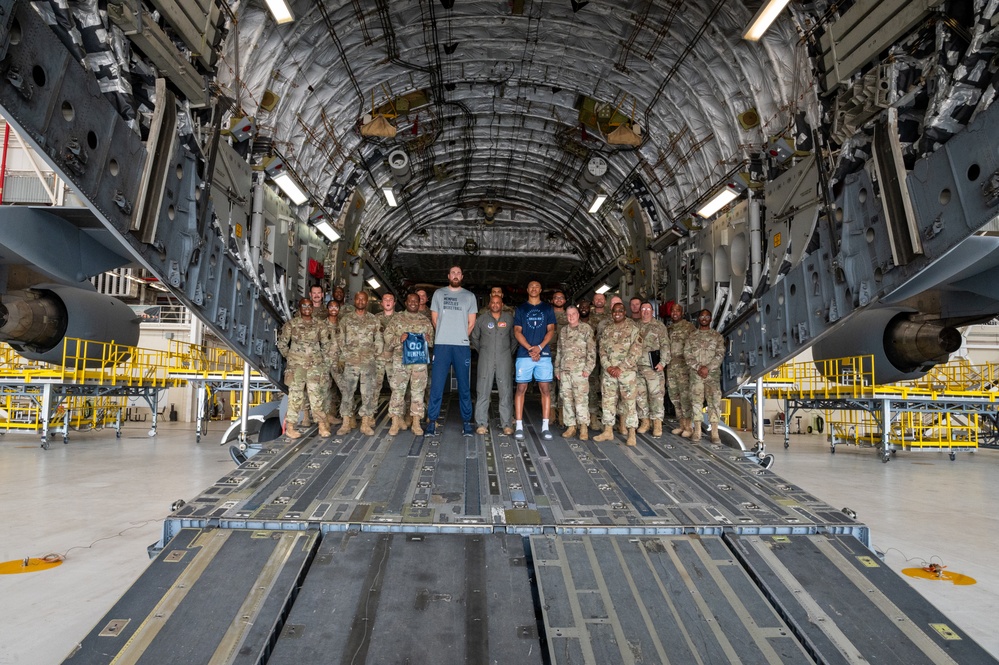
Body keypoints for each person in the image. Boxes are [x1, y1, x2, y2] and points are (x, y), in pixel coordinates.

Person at [426, 266, 477, 436]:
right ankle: (432, 422)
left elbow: (471, 323)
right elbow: (435, 320)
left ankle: (467, 422)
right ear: (448, 276)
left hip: (461, 346)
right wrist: (444, 334)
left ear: (462, 276)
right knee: (437, 385)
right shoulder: (439, 294)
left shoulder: (469, 296)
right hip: (442, 345)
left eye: (458, 273)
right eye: (452, 273)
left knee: (464, 386)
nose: (455, 275)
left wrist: (461, 336)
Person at [276, 299, 333, 438]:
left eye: (309, 306)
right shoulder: (292, 324)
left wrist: (323, 363)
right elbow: (282, 343)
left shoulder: (319, 325)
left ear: (313, 308)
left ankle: (321, 426)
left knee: (316, 396)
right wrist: (290, 357)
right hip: (296, 367)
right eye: (304, 306)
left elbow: (326, 345)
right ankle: (290, 427)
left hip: (314, 366)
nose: (307, 308)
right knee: (295, 397)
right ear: (299, 308)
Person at [383, 292, 435, 435]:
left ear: (419, 304)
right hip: (401, 361)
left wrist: (428, 339)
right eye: (410, 301)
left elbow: (431, 342)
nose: (413, 303)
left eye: (416, 301)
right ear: (406, 303)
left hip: (419, 362)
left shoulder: (425, 321)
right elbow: (387, 336)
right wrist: (399, 339)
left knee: (418, 391)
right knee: (397, 391)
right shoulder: (397, 319)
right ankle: (395, 421)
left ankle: (416, 422)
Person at [513, 280, 557, 440]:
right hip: (525, 355)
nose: (534, 288)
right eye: (531, 286)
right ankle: (518, 426)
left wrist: (539, 347)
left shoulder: (547, 308)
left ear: (541, 289)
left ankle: (545, 427)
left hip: (543, 355)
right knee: (521, 389)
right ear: (527, 289)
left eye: (537, 286)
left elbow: (551, 330)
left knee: (545, 389)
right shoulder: (521, 309)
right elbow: (517, 331)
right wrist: (531, 348)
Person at [593, 302, 641, 446]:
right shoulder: (607, 330)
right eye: (615, 311)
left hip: (627, 373)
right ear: (611, 313)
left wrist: (621, 367)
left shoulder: (633, 329)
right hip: (609, 373)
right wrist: (608, 367)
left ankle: (631, 433)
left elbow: (636, 351)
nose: (617, 313)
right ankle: (608, 431)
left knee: (629, 403)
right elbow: (601, 351)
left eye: (620, 311)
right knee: (608, 401)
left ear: (624, 312)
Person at [337, 290, 383, 436]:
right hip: (351, 363)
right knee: (347, 392)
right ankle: (346, 423)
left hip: (368, 362)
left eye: (364, 299)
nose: (361, 302)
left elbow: (379, 340)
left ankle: (365, 423)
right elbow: (340, 340)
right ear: (354, 301)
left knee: (367, 393)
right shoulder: (346, 319)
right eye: (358, 299)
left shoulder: (373, 320)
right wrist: (346, 356)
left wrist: (373, 355)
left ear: (367, 301)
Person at [470, 294, 515, 435]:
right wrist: (484, 350)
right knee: (483, 390)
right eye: (493, 303)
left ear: (502, 305)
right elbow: (475, 338)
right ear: (489, 305)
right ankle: (481, 423)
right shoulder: (482, 319)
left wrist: (506, 352)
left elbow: (514, 339)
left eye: (498, 303)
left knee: (505, 391)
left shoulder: (509, 319)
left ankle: (507, 423)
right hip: (486, 358)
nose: (495, 305)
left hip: (504, 358)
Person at [553, 305, 595, 440]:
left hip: (580, 372)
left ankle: (583, 427)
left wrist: (588, 369)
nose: (571, 317)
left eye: (573, 314)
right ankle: (571, 426)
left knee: (581, 400)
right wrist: (557, 369)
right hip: (565, 371)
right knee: (566, 399)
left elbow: (591, 351)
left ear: (578, 315)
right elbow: (559, 351)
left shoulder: (586, 329)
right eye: (568, 314)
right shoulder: (563, 331)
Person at [684, 309, 725, 442]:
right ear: (698, 319)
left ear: (711, 319)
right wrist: (698, 367)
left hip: (712, 375)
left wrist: (707, 368)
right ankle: (697, 431)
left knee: (714, 402)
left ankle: (714, 432)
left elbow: (720, 355)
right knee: (696, 402)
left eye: (707, 316)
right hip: (696, 375)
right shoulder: (691, 336)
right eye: (702, 316)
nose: (704, 318)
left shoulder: (717, 337)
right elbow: (687, 355)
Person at [635, 301, 670, 437]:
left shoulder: (659, 326)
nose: (645, 311)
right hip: (637, 367)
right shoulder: (635, 326)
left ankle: (657, 424)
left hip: (653, 367)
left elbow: (665, 345)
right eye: (643, 308)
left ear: (652, 311)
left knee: (656, 396)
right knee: (640, 396)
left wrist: (663, 363)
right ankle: (645, 421)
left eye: (648, 309)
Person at [667, 304, 696, 436]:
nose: (675, 313)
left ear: (682, 313)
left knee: (685, 397)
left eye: (677, 311)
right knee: (674, 397)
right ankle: (681, 425)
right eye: (673, 311)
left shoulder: (689, 327)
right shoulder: (669, 328)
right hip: (671, 366)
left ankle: (689, 427)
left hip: (684, 366)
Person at [548, 290, 568, 426]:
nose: (559, 300)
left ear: (565, 301)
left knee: (563, 385)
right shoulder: (548, 315)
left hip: (565, 355)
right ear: (552, 300)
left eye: (561, 298)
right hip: (549, 353)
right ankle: (551, 413)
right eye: (556, 298)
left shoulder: (570, 315)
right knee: (549, 384)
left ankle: (562, 414)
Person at [322, 299, 344, 426]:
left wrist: (344, 359)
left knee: (345, 389)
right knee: (326, 389)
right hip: (325, 362)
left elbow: (348, 344)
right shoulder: (321, 325)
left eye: (336, 307)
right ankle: (327, 416)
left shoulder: (343, 325)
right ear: (327, 309)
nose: (334, 309)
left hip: (339, 362)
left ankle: (347, 417)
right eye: (331, 307)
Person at [374, 292, 397, 398]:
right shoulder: (374, 318)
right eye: (385, 299)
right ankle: (369, 413)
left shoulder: (399, 318)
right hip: (378, 357)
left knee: (396, 387)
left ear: (394, 302)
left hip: (394, 357)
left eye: (390, 299)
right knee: (375, 386)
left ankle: (397, 413)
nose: (388, 301)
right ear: (381, 303)